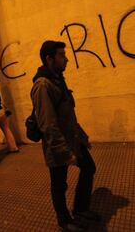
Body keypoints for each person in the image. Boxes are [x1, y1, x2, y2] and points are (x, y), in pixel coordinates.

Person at [30, 41, 101, 232]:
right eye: (62, 55)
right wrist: (64, 152)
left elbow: (68, 114)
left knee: (89, 167)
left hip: (73, 140)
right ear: (49, 58)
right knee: (59, 185)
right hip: (58, 146)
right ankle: (64, 220)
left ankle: (80, 208)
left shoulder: (57, 79)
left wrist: (82, 137)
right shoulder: (43, 85)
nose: (67, 58)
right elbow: (48, 125)